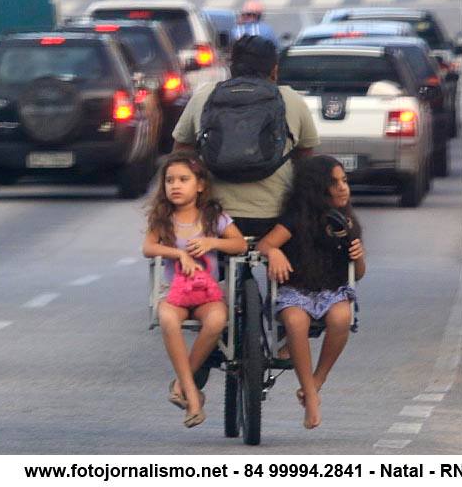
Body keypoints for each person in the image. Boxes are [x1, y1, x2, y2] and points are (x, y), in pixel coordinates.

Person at [256, 156, 367, 429]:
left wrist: (359, 257)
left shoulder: (347, 221)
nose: (343, 188)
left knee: (341, 317)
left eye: (344, 181)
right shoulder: (297, 218)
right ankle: (309, 391)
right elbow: (265, 244)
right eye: (334, 183)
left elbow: (359, 273)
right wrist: (274, 253)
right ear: (317, 188)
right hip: (296, 289)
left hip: (332, 289)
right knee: (296, 321)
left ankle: (317, 382)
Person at [172, 35, 320, 239]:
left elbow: (180, 153)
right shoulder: (291, 100)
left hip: (215, 216)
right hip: (273, 217)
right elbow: (307, 159)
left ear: (231, 68)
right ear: (274, 70)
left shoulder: (204, 96)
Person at [143, 152, 247, 428]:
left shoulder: (213, 216)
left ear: (200, 185)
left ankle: (182, 384)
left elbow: (240, 245)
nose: (175, 186)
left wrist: (213, 244)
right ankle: (192, 393)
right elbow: (148, 247)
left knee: (216, 320)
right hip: (174, 292)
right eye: (169, 181)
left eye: (183, 180)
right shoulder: (164, 218)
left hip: (206, 292)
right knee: (168, 319)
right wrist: (178, 254)